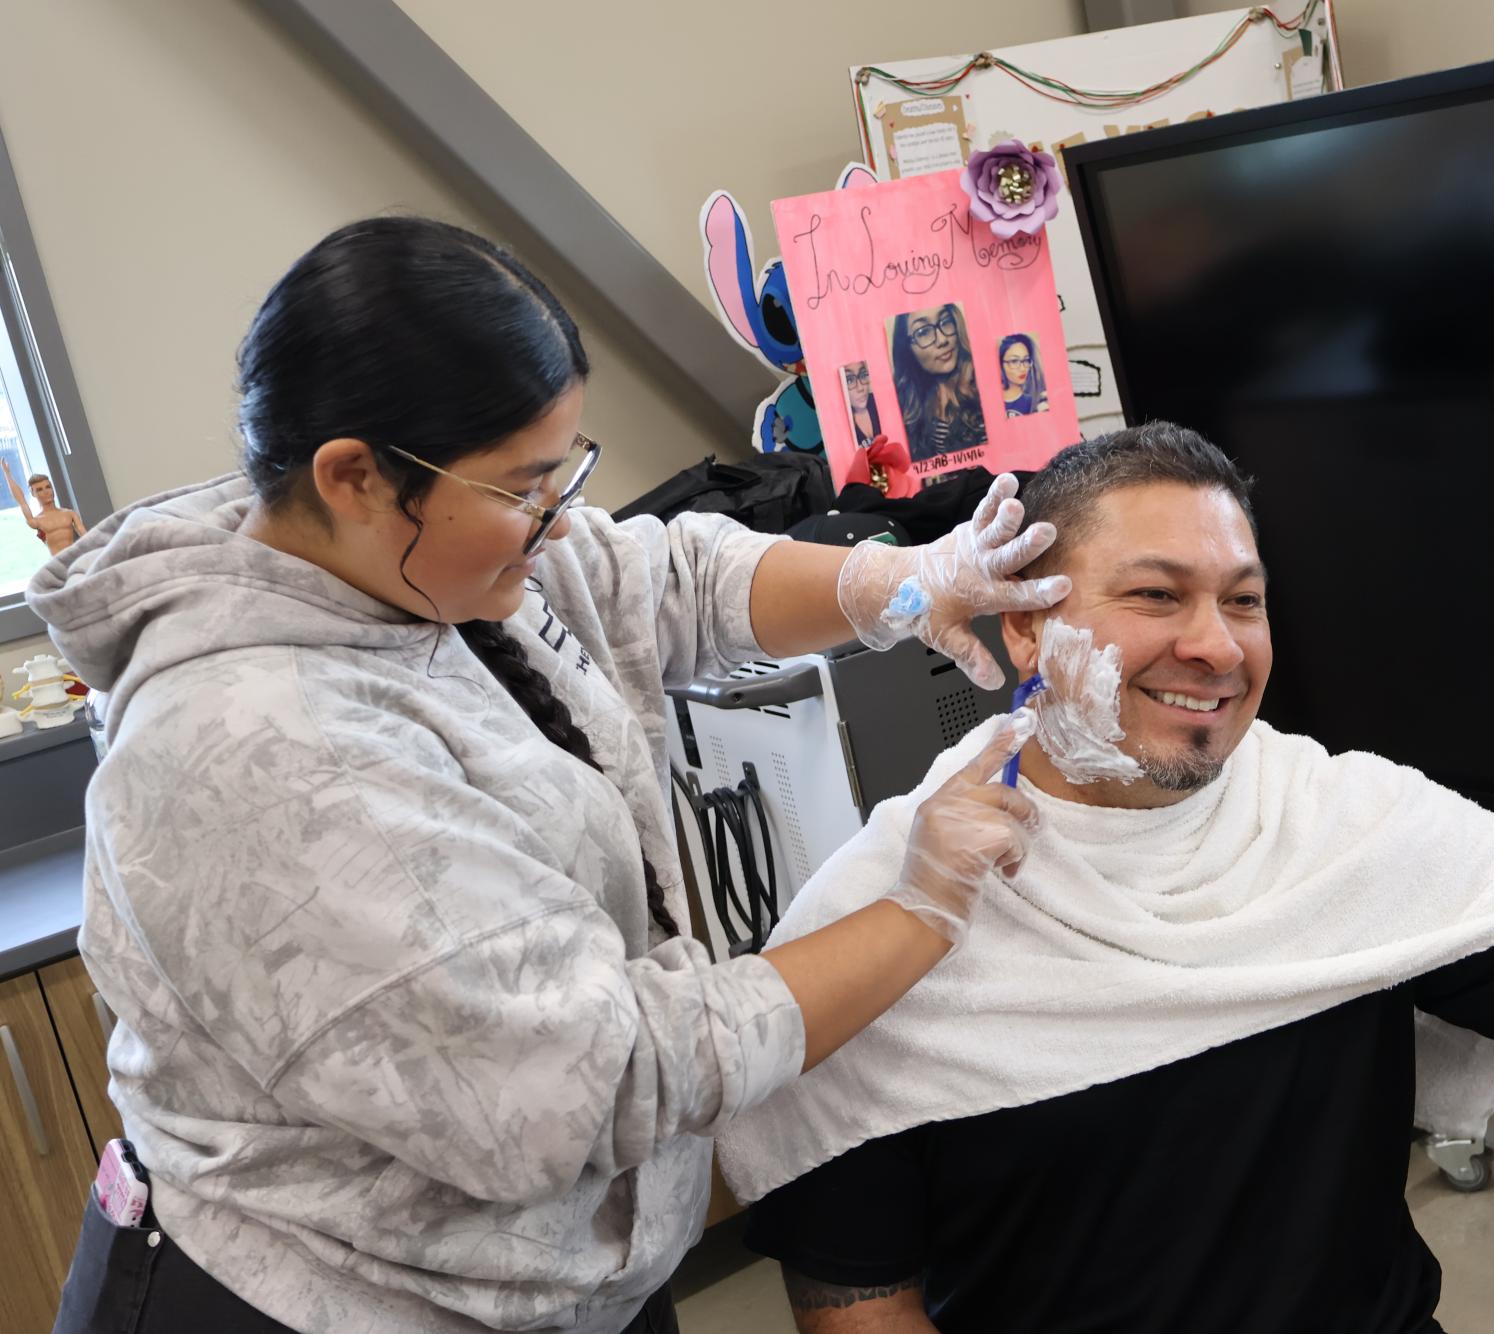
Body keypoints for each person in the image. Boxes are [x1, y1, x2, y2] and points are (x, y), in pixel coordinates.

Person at [29, 216, 1072, 1334]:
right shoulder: (261, 757)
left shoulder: (412, 558)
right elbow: (599, 1074)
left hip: (564, 1268)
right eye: (527, 487)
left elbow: (652, 576)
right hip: (338, 1293)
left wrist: (905, 581)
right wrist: (918, 905)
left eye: (567, 472)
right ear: (354, 477)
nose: (558, 518)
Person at [725, 421, 1494, 1334]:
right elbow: (857, 1295)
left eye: (1246, 598)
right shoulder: (885, 914)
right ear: (1023, 623)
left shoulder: (1341, 826)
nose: (1215, 646)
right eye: (1156, 594)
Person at [890, 304, 986, 463]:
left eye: (946, 321)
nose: (942, 340)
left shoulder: (981, 387)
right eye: (923, 332)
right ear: (907, 349)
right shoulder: (910, 407)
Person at [4, 457, 87, 555]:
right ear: (33, 494)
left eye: (48, 487)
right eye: (39, 489)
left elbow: (86, 537)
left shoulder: (69, 514)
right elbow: (21, 501)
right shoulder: (37, 521)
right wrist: (7, 474)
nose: (46, 492)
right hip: (58, 563)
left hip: (77, 558)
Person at [996, 334, 1046, 417]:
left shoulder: (1035, 402)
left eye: (1026, 360)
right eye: (1014, 361)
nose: (1023, 368)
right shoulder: (991, 401)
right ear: (1001, 364)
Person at [844, 361, 881, 447]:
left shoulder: (878, 401)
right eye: (849, 380)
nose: (860, 388)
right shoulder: (842, 424)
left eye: (863, 375)